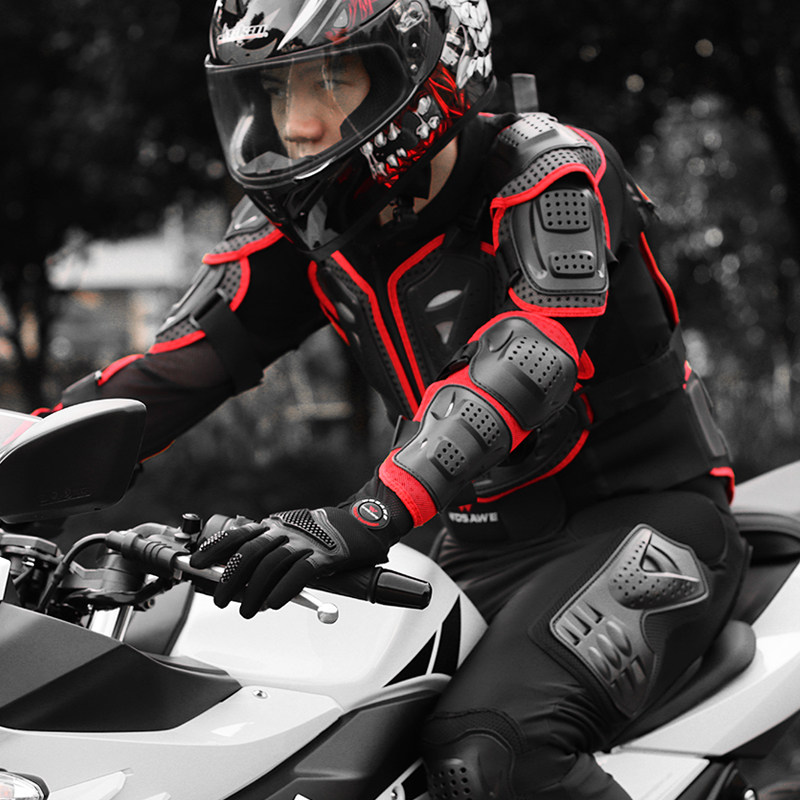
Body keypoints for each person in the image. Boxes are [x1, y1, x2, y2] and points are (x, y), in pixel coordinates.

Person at [45, 0, 748, 797]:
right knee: (322, 738)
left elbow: (530, 357)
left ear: (422, 72)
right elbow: (170, 375)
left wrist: (364, 517)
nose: (295, 124)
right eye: (276, 90)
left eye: (329, 82)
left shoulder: (550, 170)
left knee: (488, 753)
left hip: (647, 521)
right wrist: (25, 466)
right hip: (469, 549)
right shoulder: (305, 226)